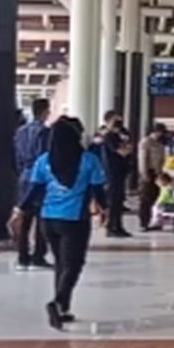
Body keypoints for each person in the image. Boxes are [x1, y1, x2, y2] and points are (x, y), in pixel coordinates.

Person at [15, 117, 108, 330]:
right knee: (73, 264)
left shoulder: (44, 161)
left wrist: (19, 209)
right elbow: (97, 190)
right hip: (74, 220)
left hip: (48, 220)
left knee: (61, 263)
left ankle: (63, 308)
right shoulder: (88, 160)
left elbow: (34, 191)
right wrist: (105, 209)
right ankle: (57, 302)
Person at [12, 98, 52, 270]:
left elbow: (15, 156)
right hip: (39, 177)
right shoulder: (45, 132)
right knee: (41, 217)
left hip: (24, 176)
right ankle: (38, 255)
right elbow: (46, 156)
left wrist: (22, 171)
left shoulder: (20, 131)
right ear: (44, 112)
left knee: (24, 216)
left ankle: (22, 255)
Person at [99, 111, 134, 238]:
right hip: (112, 172)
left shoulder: (120, 135)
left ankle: (118, 226)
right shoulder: (109, 136)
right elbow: (122, 152)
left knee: (119, 201)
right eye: (115, 121)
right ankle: (111, 226)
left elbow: (129, 148)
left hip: (121, 171)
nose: (119, 124)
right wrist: (127, 148)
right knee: (113, 201)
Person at [137, 123, 170, 232]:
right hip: (148, 172)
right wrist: (144, 174)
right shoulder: (146, 142)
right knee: (146, 198)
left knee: (156, 197)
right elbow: (143, 159)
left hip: (157, 173)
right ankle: (143, 222)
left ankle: (154, 221)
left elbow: (161, 160)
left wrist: (161, 173)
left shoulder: (160, 144)